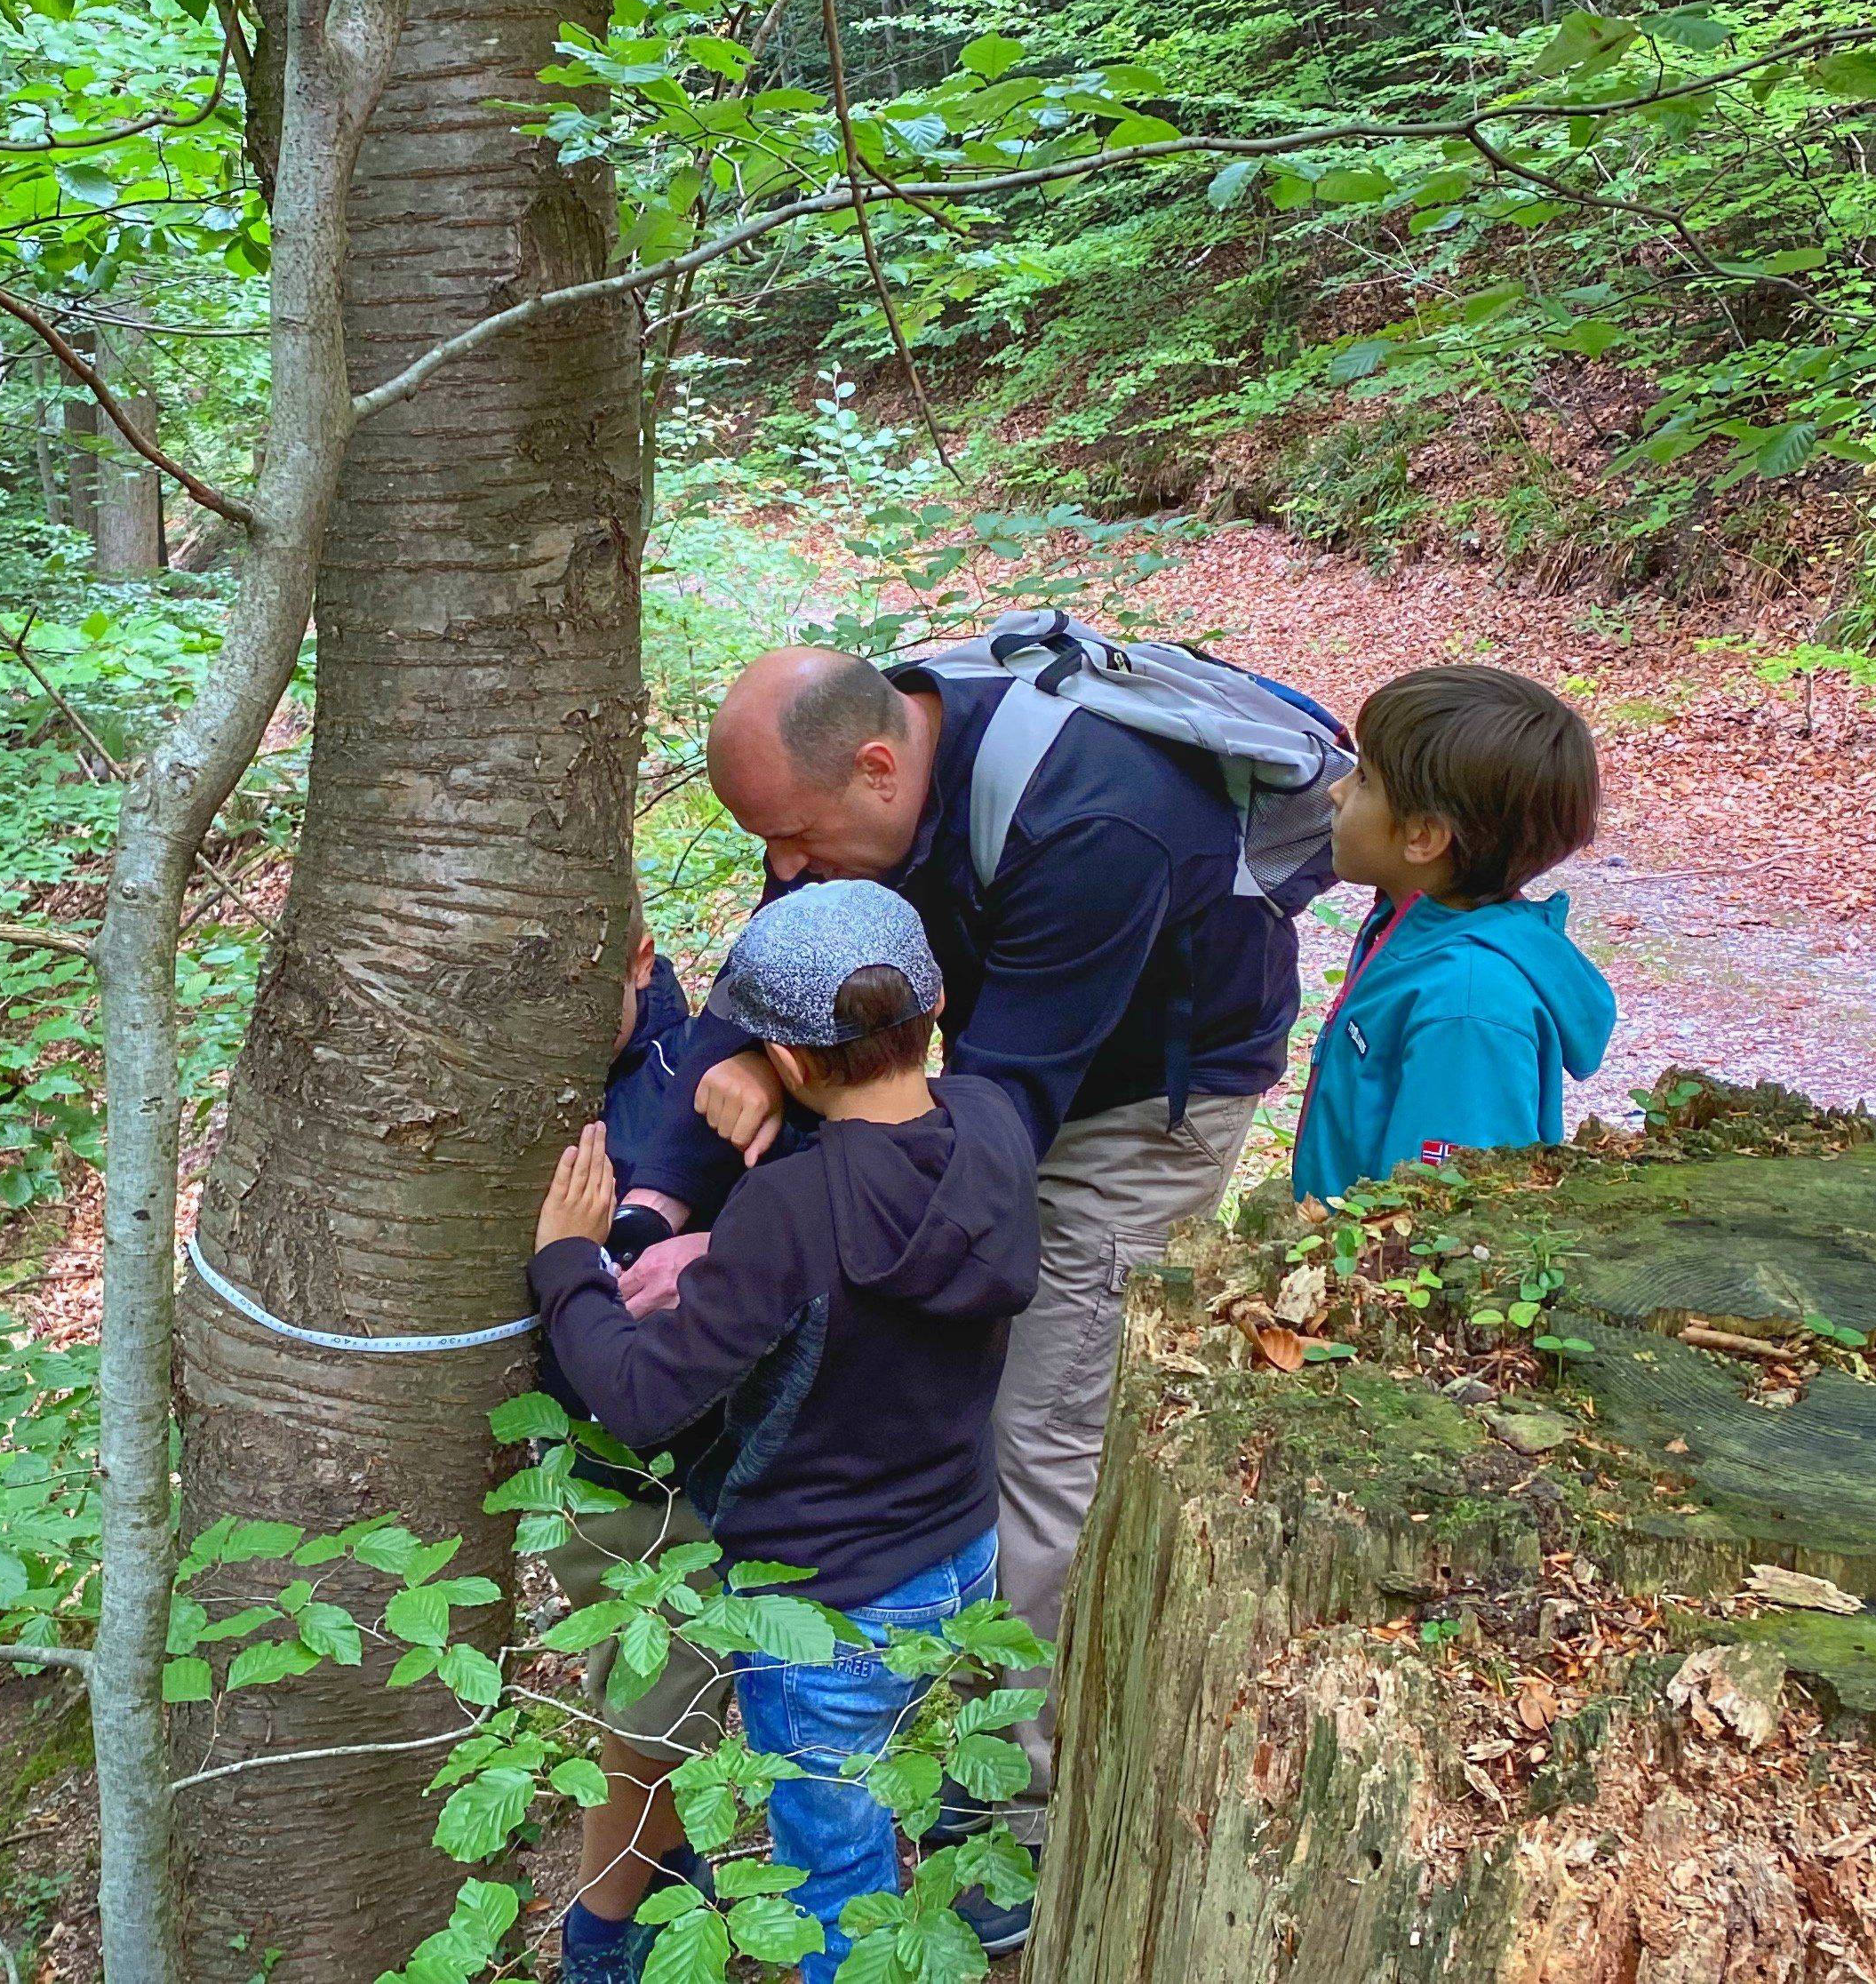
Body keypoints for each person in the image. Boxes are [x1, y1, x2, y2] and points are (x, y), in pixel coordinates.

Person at [667, 642, 1308, 1935]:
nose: (778, 871)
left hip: (1139, 1101)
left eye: (791, 841)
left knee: (1036, 1432)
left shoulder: (1097, 821)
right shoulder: (855, 774)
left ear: (879, 767)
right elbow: (797, 954)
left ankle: (1013, 1817)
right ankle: (938, 1707)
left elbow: (1004, 1108)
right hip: (1007, 1067)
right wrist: (710, 1109)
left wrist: (808, 1145)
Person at [531, 881, 1040, 1984]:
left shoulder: (788, 1213)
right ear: (938, 1003)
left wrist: (570, 1262)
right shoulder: (996, 1122)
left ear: (790, 1065)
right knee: (894, 1782)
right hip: (959, 1552)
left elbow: (643, 1397)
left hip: (824, 1599)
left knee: (832, 1864)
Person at [542, 916, 737, 1984]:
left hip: (672, 1479)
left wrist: (595, 1253)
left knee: (653, 1716)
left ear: (639, 959)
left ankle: (603, 1924)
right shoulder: (531, 1078)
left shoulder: (700, 1084)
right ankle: (661, 1886)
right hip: (576, 1470)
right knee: (646, 1697)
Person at [1290, 665, 1615, 1204]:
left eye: (1365, 779)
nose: (1336, 792)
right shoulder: (1413, 930)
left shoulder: (1466, 1004)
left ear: (1423, 836)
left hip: (1383, 1278)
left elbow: (1444, 1214)